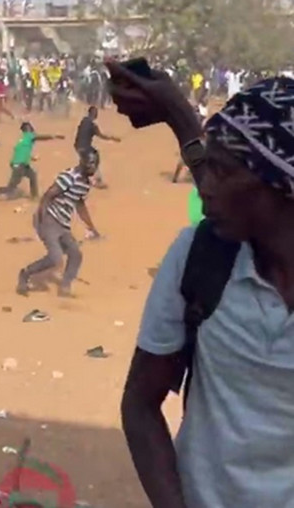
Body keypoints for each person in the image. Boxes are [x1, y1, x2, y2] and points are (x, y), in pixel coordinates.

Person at [111, 63, 294, 508]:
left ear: (283, 190)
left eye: (223, 172)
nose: (203, 189)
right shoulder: (203, 256)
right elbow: (140, 403)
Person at [16, 150, 101, 298]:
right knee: (55, 258)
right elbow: (48, 195)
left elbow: (79, 204)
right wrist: (41, 219)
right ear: (82, 162)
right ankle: (25, 273)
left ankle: (65, 286)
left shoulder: (85, 183)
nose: (93, 167)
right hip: (49, 219)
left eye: (95, 163)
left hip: (63, 224)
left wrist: (91, 227)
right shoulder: (69, 177)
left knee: (76, 254)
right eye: (90, 163)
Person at [0, 121, 64, 200]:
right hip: (20, 165)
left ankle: (34, 196)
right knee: (11, 187)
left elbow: (21, 151)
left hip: (21, 164)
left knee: (33, 175)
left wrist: (31, 158)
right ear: (28, 129)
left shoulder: (22, 138)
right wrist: (55, 136)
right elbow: (41, 137)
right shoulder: (29, 136)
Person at [74, 106, 120, 188]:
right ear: (92, 113)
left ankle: (82, 179)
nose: (96, 115)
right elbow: (101, 135)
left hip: (77, 146)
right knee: (95, 158)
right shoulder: (92, 125)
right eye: (95, 113)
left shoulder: (83, 121)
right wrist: (113, 138)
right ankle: (97, 180)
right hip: (85, 148)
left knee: (85, 162)